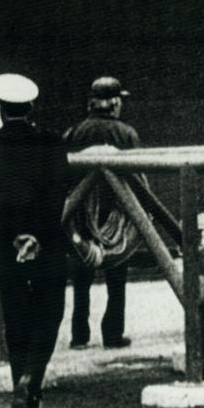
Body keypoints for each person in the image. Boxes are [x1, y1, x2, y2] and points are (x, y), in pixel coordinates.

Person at [0, 73, 67, 408]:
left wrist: (13, 234)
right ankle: (32, 379)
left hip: (2, 244)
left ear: (0, 109)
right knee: (49, 313)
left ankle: (20, 389)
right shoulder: (53, 143)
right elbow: (58, 197)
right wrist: (37, 235)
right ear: (31, 107)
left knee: (16, 316)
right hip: (49, 242)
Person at [64, 76, 140, 351]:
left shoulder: (74, 133)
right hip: (116, 216)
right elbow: (136, 178)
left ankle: (79, 335)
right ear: (115, 102)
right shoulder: (127, 134)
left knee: (81, 279)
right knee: (116, 280)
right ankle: (112, 335)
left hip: (81, 214)